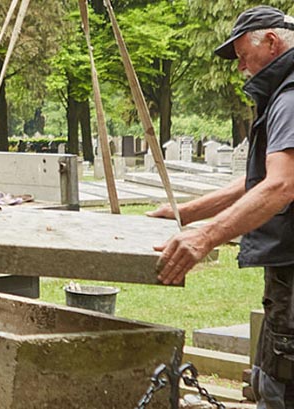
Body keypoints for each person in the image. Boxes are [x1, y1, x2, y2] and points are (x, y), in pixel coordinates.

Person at [148, 5, 294, 408]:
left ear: (271, 41)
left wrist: (207, 236)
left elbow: (282, 185)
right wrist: (185, 215)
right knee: (272, 375)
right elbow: (261, 178)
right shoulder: (283, 92)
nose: (240, 66)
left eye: (242, 53)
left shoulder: (290, 97)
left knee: (283, 387)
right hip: (285, 275)